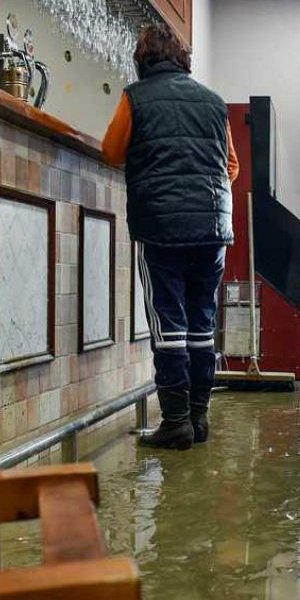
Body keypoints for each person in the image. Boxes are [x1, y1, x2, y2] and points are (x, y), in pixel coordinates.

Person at [102, 25, 239, 450]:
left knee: (168, 322)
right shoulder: (214, 103)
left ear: (142, 60)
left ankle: (175, 420)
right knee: (202, 322)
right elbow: (230, 166)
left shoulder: (134, 97)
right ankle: (199, 417)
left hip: (161, 227)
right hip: (212, 227)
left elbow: (110, 151)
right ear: (183, 60)